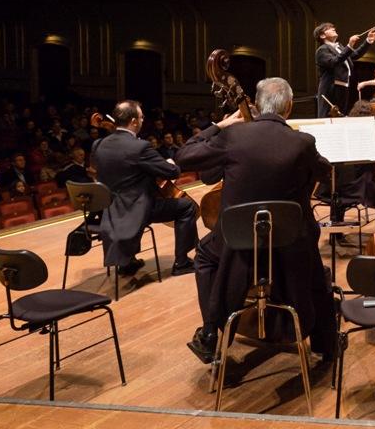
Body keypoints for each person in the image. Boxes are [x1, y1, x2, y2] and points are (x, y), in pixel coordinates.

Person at [175, 77, 336, 364]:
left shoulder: (233, 137)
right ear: (288, 107)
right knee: (315, 270)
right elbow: (323, 173)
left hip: (238, 240)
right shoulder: (302, 142)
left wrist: (220, 126)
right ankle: (326, 343)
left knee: (203, 257)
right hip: (289, 240)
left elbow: (183, 156)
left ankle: (212, 333)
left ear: (259, 106)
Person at [92, 99, 198, 277]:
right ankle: (182, 262)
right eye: (141, 117)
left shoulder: (98, 145)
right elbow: (172, 172)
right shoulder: (139, 147)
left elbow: (106, 169)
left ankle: (127, 262)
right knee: (187, 207)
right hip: (136, 210)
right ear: (133, 121)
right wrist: (169, 163)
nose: (142, 120)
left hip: (108, 211)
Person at [314, 22, 375, 116]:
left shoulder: (339, 47)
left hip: (344, 86)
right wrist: (349, 45)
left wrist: (368, 41)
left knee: (341, 114)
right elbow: (334, 62)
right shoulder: (322, 50)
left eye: (333, 27)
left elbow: (354, 55)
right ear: (322, 35)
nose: (333, 28)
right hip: (331, 88)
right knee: (329, 115)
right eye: (329, 28)